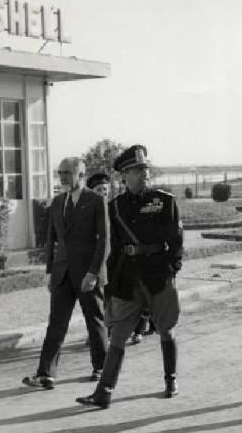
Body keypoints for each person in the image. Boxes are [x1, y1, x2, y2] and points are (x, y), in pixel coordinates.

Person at [76, 144, 183, 409]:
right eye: (137, 170)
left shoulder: (164, 201)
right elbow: (109, 249)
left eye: (145, 169)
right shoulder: (114, 208)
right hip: (127, 278)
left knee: (166, 330)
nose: (144, 174)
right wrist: (107, 281)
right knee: (119, 336)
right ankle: (104, 392)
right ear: (124, 176)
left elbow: (176, 241)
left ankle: (171, 379)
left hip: (158, 276)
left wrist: (172, 268)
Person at [22, 157, 108, 390]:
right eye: (60, 173)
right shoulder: (58, 201)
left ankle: (102, 367)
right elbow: (52, 239)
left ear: (80, 174)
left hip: (87, 274)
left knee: (95, 321)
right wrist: (49, 271)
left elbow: (104, 241)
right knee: (56, 324)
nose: (62, 177)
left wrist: (93, 273)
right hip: (61, 274)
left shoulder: (96, 200)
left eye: (67, 173)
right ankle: (46, 374)